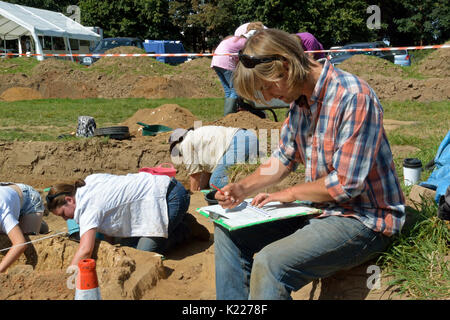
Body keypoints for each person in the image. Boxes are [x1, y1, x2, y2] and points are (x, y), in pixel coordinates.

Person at [214, 29, 406, 300]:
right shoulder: (300, 103)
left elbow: (345, 185)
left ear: (286, 66)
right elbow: (283, 158)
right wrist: (242, 188)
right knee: (228, 232)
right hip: (319, 210)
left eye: (268, 87)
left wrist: (289, 194)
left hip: (363, 218)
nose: (268, 98)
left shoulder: (353, 97)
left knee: (271, 264)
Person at [46, 172, 196, 268]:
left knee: (141, 255)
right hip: (156, 196)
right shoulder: (88, 182)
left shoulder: (88, 206)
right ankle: (175, 222)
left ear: (69, 200)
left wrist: (70, 273)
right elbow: (109, 220)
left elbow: (85, 250)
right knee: (125, 246)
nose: (66, 219)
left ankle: (185, 228)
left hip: (169, 197)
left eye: (63, 214)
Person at [169, 126, 259, 191]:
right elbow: (207, 172)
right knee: (214, 179)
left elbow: (194, 174)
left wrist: (193, 193)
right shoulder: (195, 137)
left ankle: (250, 180)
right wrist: (201, 186)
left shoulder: (185, 143)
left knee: (215, 182)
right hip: (247, 138)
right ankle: (253, 175)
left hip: (241, 142)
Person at [211, 22, 266, 115]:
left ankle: (228, 115)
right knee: (235, 90)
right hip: (226, 62)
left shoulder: (237, 39)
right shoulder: (246, 42)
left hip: (216, 61)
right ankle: (229, 115)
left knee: (228, 90)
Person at [0, 183, 47, 273]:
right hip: (9, 195)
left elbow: (20, 244)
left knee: (27, 235)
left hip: (28, 199)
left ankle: (39, 223)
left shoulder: (3, 215)